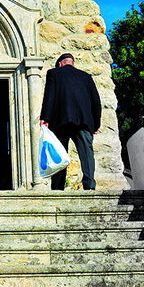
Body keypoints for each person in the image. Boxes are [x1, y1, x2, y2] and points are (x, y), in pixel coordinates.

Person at [39, 53, 101, 190]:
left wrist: (45, 118)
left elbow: (50, 96)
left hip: (60, 121)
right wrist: (96, 124)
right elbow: (96, 101)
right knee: (87, 154)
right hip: (84, 122)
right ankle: (90, 185)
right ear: (72, 62)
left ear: (60, 63)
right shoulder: (86, 76)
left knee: (58, 154)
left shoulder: (54, 73)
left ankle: (57, 188)